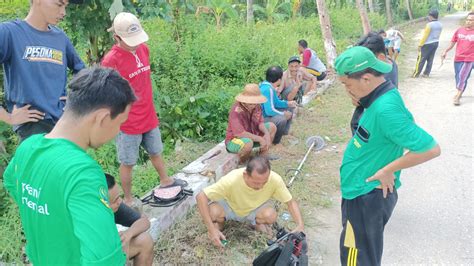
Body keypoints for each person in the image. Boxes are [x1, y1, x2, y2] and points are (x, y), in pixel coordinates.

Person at [3, 67, 136, 264]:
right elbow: (104, 258)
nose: (118, 132)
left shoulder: (28, 148)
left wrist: (48, 211)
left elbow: (11, 183)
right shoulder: (82, 172)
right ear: (102, 117)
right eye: (120, 123)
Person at [335, 46, 441, 265]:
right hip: (359, 190)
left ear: (366, 78)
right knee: (355, 251)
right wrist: (359, 100)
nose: (346, 89)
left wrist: (387, 169)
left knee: (358, 258)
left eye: (347, 84)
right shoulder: (377, 94)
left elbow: (430, 148)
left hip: (367, 196)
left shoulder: (386, 110)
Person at [102, 12, 186, 207]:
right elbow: (107, 94)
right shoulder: (110, 61)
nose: (135, 44)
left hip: (148, 115)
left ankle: (166, 180)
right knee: (128, 162)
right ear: (117, 38)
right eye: (130, 40)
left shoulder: (144, 50)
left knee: (156, 151)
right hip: (128, 123)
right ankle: (129, 198)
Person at [0, 0, 85, 141]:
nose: (63, 12)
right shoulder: (9, 33)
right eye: (59, 4)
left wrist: (74, 98)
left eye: (65, 6)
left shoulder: (61, 38)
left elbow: (82, 71)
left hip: (64, 124)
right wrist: (8, 117)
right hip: (33, 128)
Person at [196, 156, 304, 248]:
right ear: (245, 175)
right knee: (212, 212)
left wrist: (300, 225)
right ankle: (219, 225)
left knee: (271, 216)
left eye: (264, 182)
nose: (260, 186)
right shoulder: (232, 179)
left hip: (254, 210)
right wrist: (211, 229)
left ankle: (255, 223)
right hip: (230, 207)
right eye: (256, 182)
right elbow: (201, 196)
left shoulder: (275, 179)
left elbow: (290, 202)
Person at [351, 32, 400, 135]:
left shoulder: (378, 76)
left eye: (366, 59)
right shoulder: (390, 63)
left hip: (369, 124)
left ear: (380, 57)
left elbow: (357, 100)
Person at [105, 173, 154, 265]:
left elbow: (144, 221)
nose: (120, 201)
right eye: (115, 200)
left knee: (144, 240)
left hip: (107, 252)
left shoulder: (116, 206)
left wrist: (128, 234)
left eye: (119, 197)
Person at [225, 84, 277, 163]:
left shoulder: (257, 106)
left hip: (252, 134)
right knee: (248, 143)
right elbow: (240, 134)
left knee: (272, 127)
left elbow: (260, 122)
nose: (253, 105)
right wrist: (259, 139)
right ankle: (244, 162)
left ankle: (263, 156)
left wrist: (266, 134)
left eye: (255, 102)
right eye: (251, 103)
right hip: (235, 140)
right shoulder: (236, 111)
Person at [441, 12, 474, 106]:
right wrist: (445, 51)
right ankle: (460, 90)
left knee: (463, 76)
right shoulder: (459, 30)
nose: (468, 22)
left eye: (471, 20)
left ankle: (457, 97)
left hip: (470, 58)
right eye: (467, 19)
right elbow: (453, 42)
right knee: (458, 76)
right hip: (458, 57)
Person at [259, 66, 297, 145]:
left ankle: (284, 133)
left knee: (290, 107)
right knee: (281, 119)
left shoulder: (269, 86)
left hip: (266, 114)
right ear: (279, 79)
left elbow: (276, 103)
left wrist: (287, 103)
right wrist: (283, 114)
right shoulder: (267, 89)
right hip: (262, 118)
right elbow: (269, 111)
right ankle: (276, 141)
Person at [413, 9, 443, 78]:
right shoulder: (440, 25)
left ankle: (416, 74)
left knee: (421, 59)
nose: (428, 17)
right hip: (436, 42)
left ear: (431, 16)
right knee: (430, 59)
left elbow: (425, 36)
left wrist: (420, 45)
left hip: (427, 44)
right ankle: (426, 73)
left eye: (429, 16)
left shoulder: (429, 25)